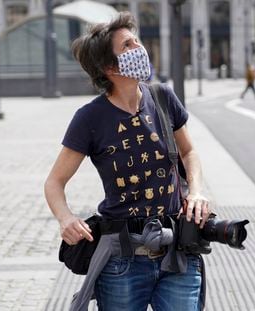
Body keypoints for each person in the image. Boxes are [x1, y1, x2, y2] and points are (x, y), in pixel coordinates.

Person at [44, 12, 210, 311]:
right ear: (109, 67)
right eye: (129, 45)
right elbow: (55, 182)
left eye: (136, 41)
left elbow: (189, 153)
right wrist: (66, 218)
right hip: (122, 260)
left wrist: (196, 191)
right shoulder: (90, 118)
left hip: (177, 251)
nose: (140, 48)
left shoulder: (162, 97)